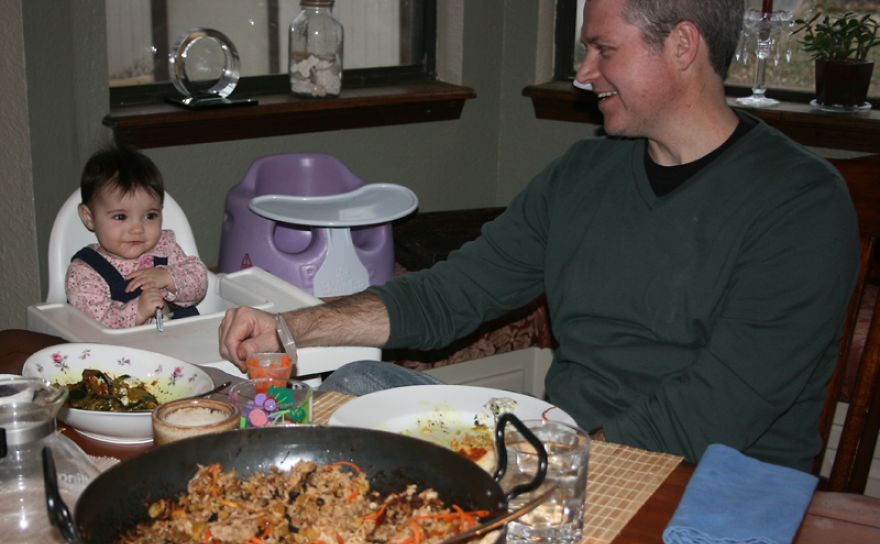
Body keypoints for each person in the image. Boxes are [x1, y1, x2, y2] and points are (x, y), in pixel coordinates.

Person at [219, 0, 859, 471]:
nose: (583, 72)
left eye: (604, 50)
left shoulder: (799, 203)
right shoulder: (584, 172)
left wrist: (546, 470)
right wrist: (294, 325)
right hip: (569, 442)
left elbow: (718, 409)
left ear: (683, 47)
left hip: (711, 479)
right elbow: (451, 295)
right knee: (360, 383)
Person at [66, 146, 208, 328]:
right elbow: (91, 324)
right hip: (124, 354)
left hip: (183, 345)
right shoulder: (85, 272)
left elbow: (199, 281)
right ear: (89, 217)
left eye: (150, 216)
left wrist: (169, 279)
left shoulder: (166, 249)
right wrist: (137, 312)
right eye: (120, 217)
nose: (137, 229)